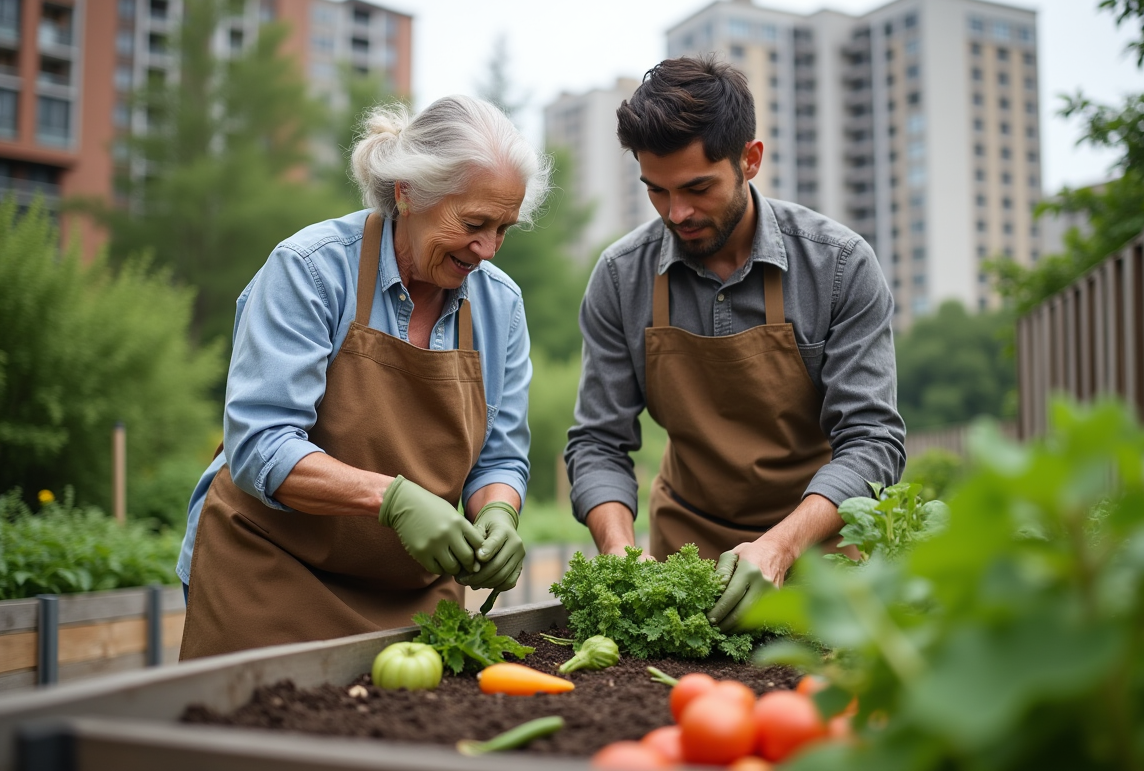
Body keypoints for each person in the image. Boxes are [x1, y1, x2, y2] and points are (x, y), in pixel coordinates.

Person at [177, 96, 549, 659]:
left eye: (504, 228)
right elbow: (261, 446)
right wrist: (393, 499)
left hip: (411, 595)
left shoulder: (501, 305)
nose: (488, 249)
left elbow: (499, 457)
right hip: (274, 574)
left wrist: (498, 510)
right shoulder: (311, 270)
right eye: (473, 223)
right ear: (407, 192)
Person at [564, 56, 905, 633]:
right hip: (687, 563)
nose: (678, 213)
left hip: (823, 558)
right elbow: (598, 441)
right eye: (657, 192)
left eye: (698, 188)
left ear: (750, 159)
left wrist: (779, 547)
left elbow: (872, 441)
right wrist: (619, 548)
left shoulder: (840, 264)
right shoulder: (622, 277)